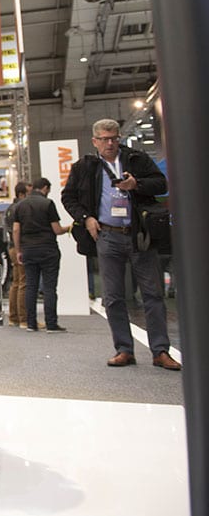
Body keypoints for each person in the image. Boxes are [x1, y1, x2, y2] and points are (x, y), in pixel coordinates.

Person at [61, 118, 180, 370]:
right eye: (104, 139)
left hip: (139, 235)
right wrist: (86, 218)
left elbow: (161, 184)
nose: (110, 143)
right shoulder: (85, 166)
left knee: (152, 294)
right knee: (113, 297)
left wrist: (137, 184)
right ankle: (124, 349)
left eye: (114, 138)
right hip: (107, 236)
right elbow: (68, 197)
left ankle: (160, 351)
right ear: (95, 141)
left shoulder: (137, 160)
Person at [12, 177, 68, 332]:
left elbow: (16, 230)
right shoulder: (48, 204)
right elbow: (56, 229)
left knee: (31, 286)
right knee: (49, 288)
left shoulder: (20, 205)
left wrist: (18, 251)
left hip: (28, 249)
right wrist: (69, 228)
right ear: (45, 188)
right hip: (48, 249)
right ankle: (51, 324)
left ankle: (31, 323)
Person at [4, 181, 30, 328]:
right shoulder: (19, 208)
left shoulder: (9, 208)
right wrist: (20, 249)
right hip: (19, 247)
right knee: (23, 283)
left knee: (16, 282)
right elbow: (16, 230)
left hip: (12, 247)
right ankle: (23, 319)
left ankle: (13, 317)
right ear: (21, 194)